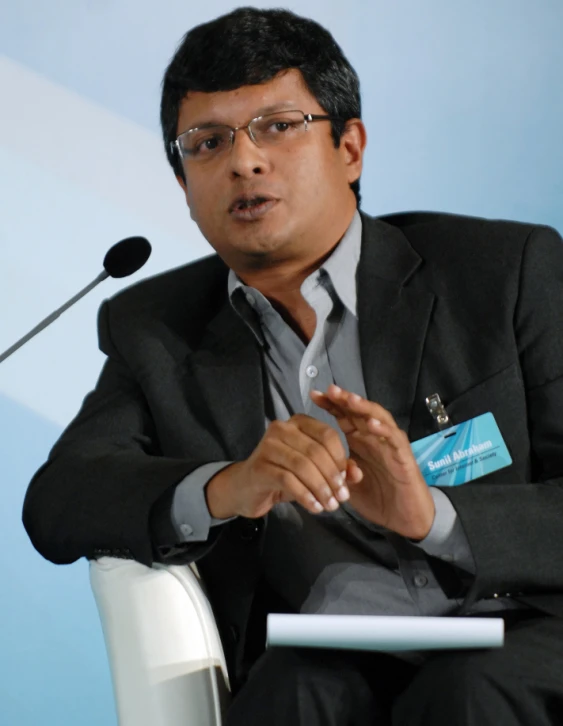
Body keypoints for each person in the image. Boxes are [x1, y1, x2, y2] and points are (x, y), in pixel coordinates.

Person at [22, 7, 563, 725]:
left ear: (349, 148)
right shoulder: (154, 327)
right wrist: (227, 485)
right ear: (184, 187)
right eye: (207, 142)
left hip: (518, 623)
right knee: (288, 696)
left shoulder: (502, 272)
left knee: (466, 695)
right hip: (324, 649)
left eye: (278, 126)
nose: (244, 161)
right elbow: (61, 498)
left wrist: (433, 516)